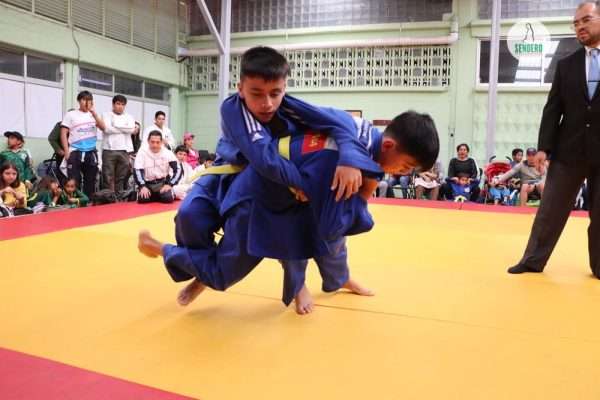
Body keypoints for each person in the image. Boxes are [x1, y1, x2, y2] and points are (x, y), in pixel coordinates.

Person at [138, 46, 373, 314]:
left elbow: (342, 123)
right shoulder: (232, 108)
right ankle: (203, 273)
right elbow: (263, 156)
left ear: (284, 88)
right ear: (240, 88)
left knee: (306, 227)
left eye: (275, 93)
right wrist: (302, 184)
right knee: (189, 216)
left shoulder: (291, 107)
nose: (267, 103)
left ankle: (305, 283)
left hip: (272, 183)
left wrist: (349, 159)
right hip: (228, 172)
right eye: (257, 94)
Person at [139, 111, 439, 315]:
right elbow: (330, 228)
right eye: (406, 167)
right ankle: (170, 253)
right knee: (206, 244)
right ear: (389, 144)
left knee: (310, 227)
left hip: (266, 187)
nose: (402, 173)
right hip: (253, 192)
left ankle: (324, 280)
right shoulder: (343, 164)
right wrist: (363, 202)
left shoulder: (357, 132)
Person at [508, 1, 600, 277]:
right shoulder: (565, 65)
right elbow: (553, 109)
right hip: (568, 150)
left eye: (586, 20)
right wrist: (544, 149)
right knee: (550, 210)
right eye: (576, 23)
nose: (580, 26)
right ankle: (532, 261)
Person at [60, 91, 106, 197]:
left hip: (91, 151)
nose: (86, 102)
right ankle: (74, 201)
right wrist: (66, 151)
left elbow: (103, 128)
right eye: (84, 100)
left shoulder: (94, 115)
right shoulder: (71, 114)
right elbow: (63, 133)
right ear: (79, 101)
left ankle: (87, 201)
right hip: (75, 151)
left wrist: (94, 114)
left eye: (89, 100)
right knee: (74, 179)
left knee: (90, 180)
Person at [133, 131, 182, 204]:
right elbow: (137, 170)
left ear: (161, 142)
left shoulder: (167, 153)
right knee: (143, 199)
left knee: (167, 198)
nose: (155, 145)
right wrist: (142, 186)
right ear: (148, 141)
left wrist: (170, 185)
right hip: (147, 184)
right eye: (152, 142)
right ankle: (152, 195)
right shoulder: (142, 152)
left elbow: (178, 169)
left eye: (157, 142)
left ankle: (162, 195)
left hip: (162, 183)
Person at [100, 95, 136, 192]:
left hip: (124, 150)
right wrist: (124, 128)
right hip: (109, 150)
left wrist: (115, 125)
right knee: (107, 177)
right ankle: (107, 197)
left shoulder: (129, 116)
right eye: (118, 104)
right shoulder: (105, 115)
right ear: (113, 104)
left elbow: (132, 129)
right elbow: (107, 129)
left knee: (121, 177)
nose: (120, 106)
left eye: (123, 105)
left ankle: (119, 197)